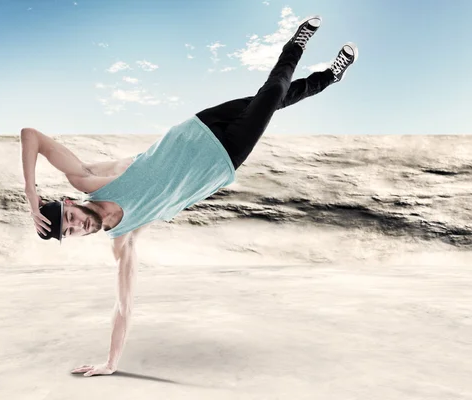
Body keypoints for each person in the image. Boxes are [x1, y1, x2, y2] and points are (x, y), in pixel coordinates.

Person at [19, 15, 358, 376]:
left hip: (200, 125)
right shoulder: (124, 239)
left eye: (69, 218)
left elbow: (32, 136)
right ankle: (297, 46)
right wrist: (111, 363)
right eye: (70, 232)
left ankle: (328, 78)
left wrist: (30, 191)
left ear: (69, 203)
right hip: (225, 157)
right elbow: (124, 306)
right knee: (273, 93)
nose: (78, 226)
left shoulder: (89, 179)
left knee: (276, 97)